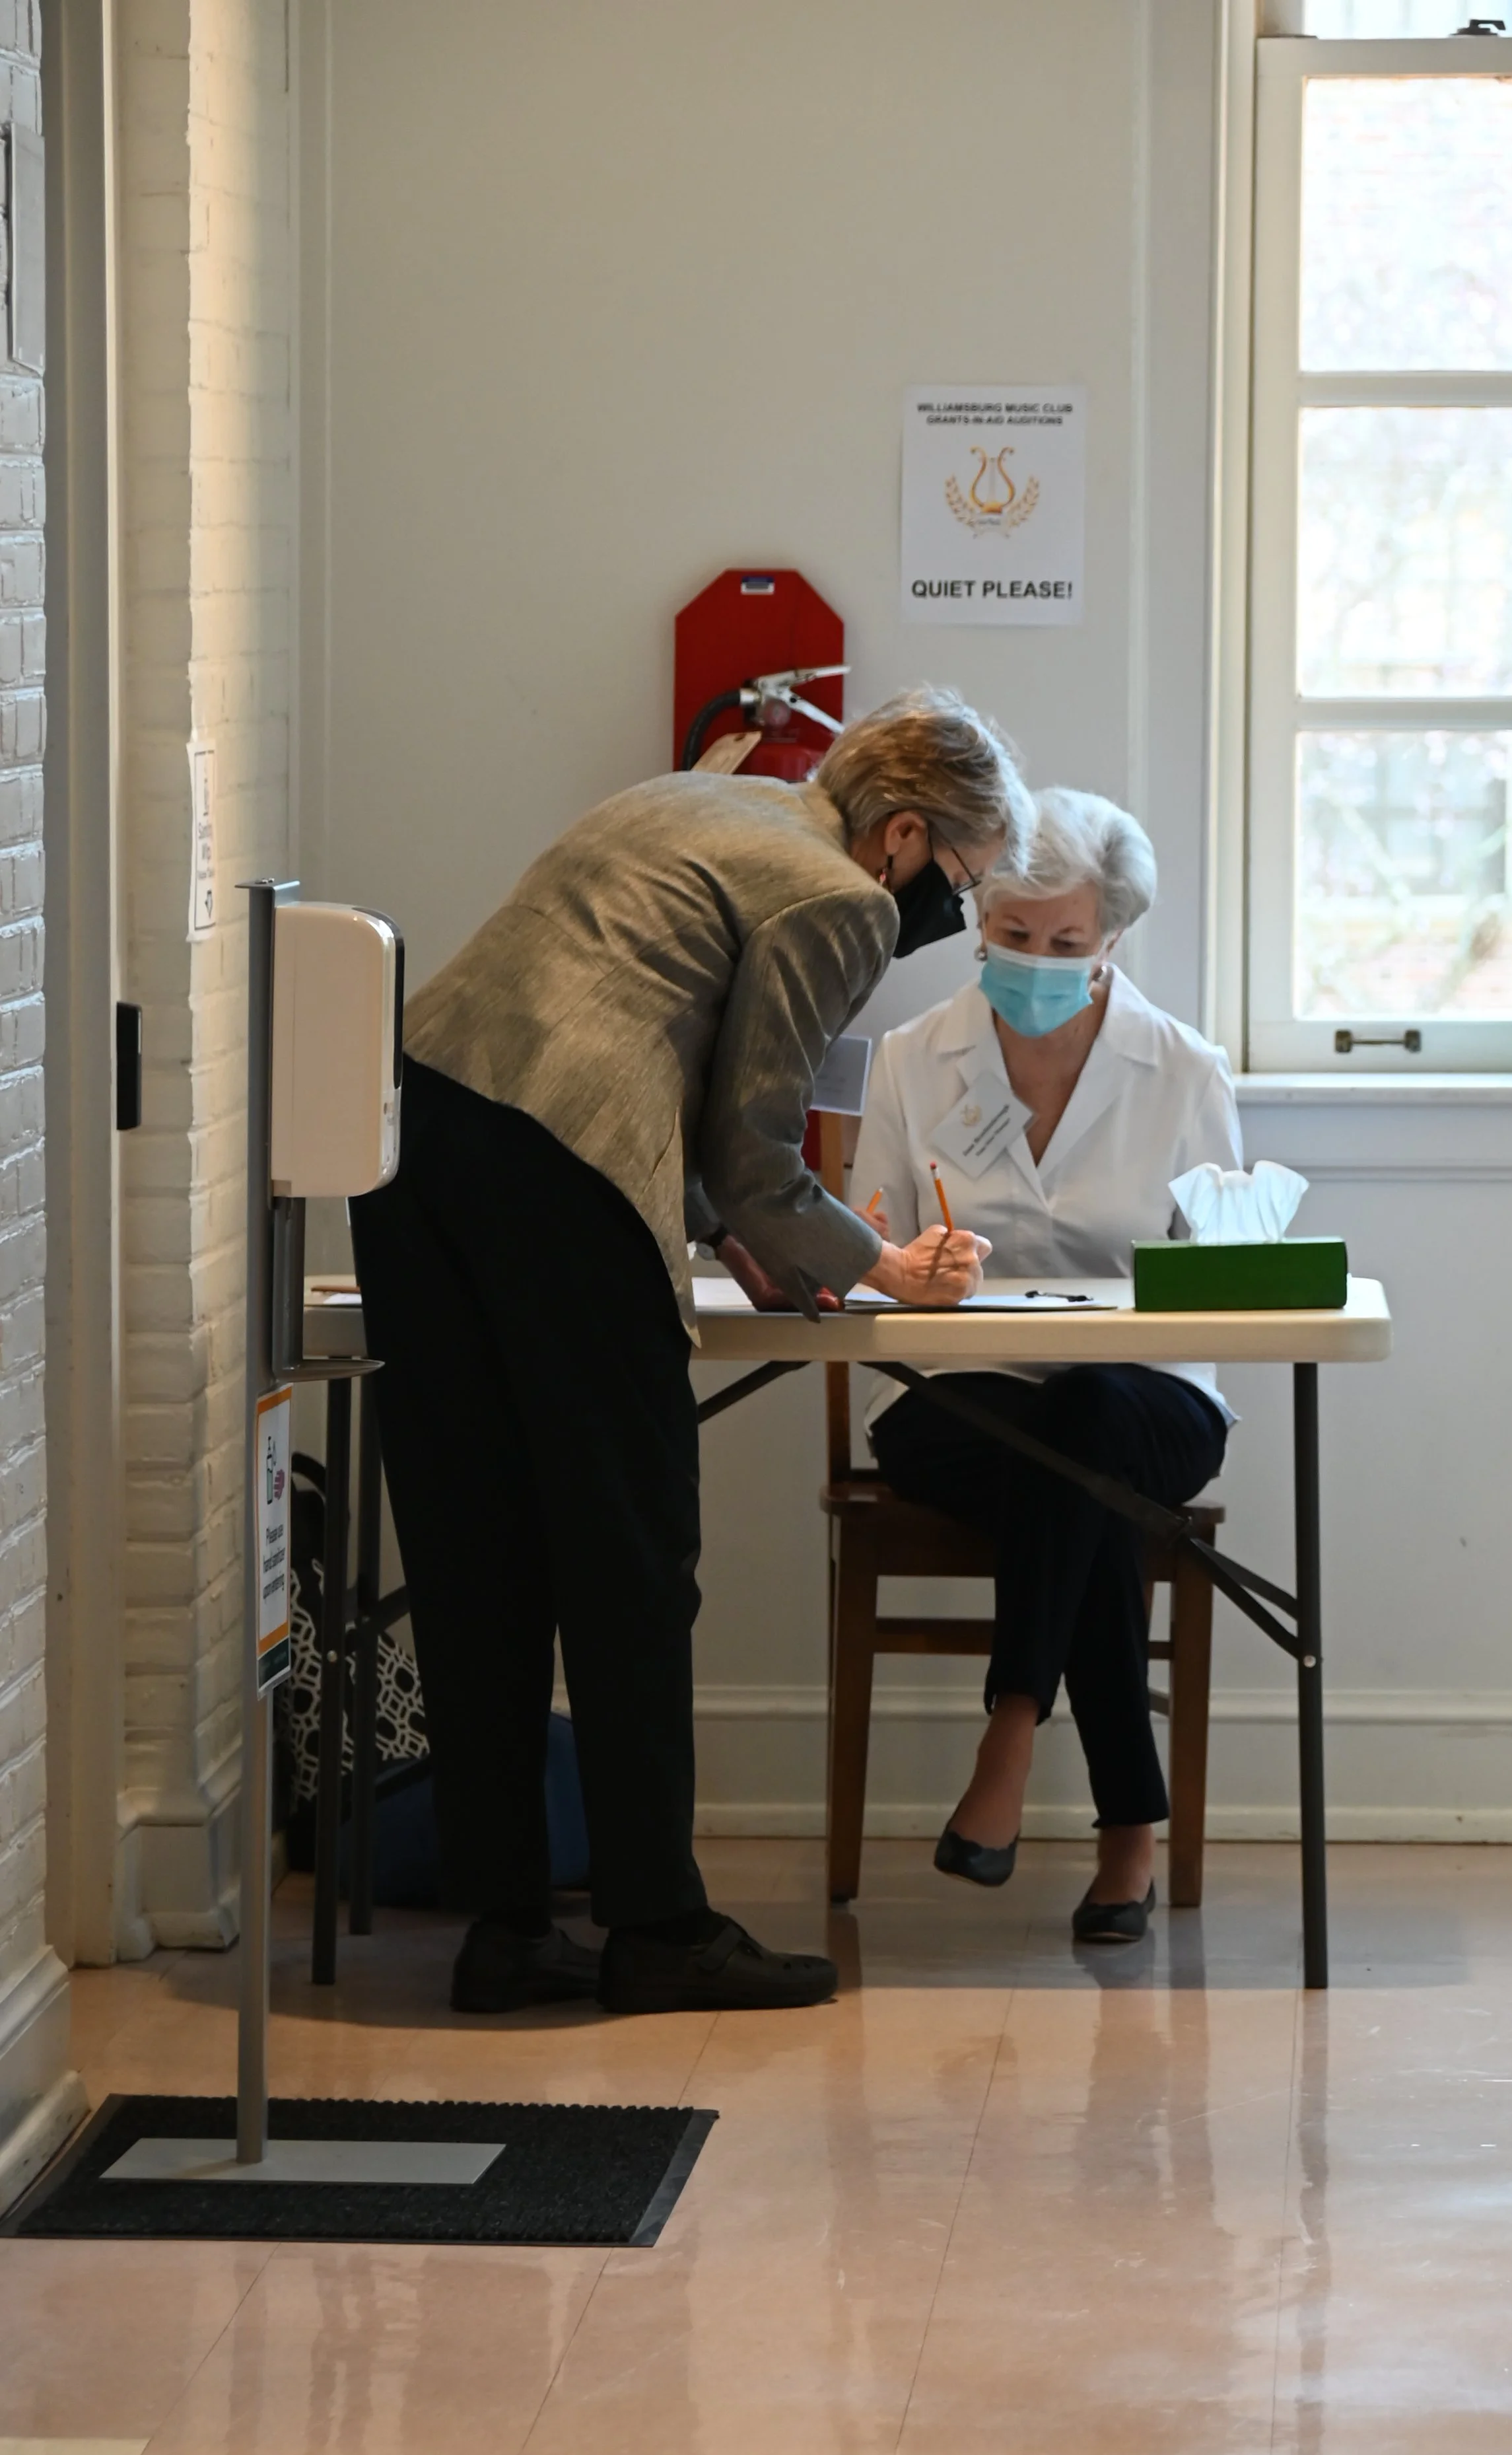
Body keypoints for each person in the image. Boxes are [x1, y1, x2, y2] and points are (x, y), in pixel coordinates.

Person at [350, 690, 1029, 2014]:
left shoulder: (700, 797)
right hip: (560, 1175)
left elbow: (681, 1077)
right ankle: (658, 1928)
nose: (947, 911)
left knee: (473, 1547)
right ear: (899, 835)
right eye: (962, 878)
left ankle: (504, 1929)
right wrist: (883, 1269)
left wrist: (748, 1238)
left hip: (410, 1141)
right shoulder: (838, 896)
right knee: (628, 1557)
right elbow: (755, 1148)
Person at [848, 788, 1241, 1944]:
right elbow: (864, 1241)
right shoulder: (916, 1060)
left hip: (1150, 1397)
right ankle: (1130, 1834)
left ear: (1111, 940)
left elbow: (1229, 1276)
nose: (1036, 961)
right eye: (1014, 937)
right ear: (982, 921)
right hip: (958, 1397)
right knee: (1080, 1476)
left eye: (1066, 944)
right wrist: (908, 1261)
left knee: (1091, 1416)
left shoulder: (1183, 1070)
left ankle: (1010, 1728)